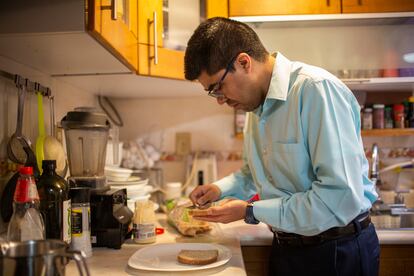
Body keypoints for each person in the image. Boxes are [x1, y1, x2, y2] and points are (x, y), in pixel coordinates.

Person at [185, 17, 380, 276]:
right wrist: (218, 189)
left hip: (336, 250)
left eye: (218, 87)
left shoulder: (316, 91)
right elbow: (255, 172)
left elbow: (338, 197)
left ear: (244, 62)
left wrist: (250, 211)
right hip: (286, 248)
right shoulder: (255, 107)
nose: (220, 100)